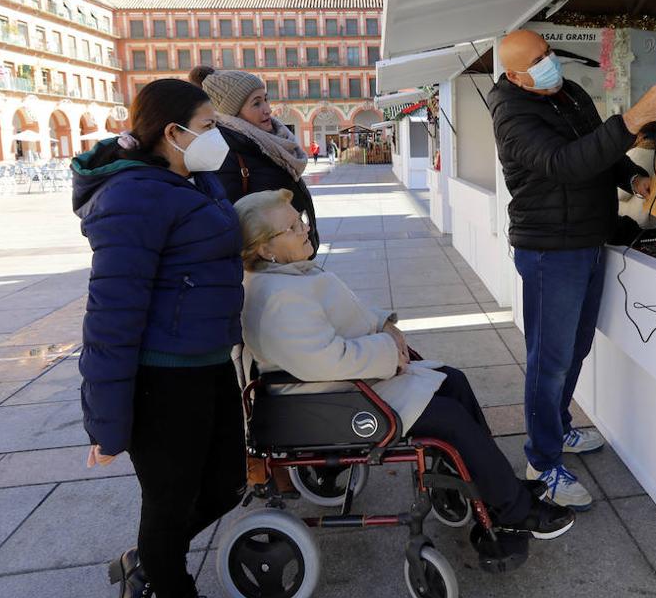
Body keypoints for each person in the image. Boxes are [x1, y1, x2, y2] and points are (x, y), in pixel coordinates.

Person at [235, 188, 575, 541]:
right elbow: (325, 362)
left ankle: (489, 485)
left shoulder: (289, 276)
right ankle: (512, 510)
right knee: (450, 419)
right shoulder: (277, 298)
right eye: (291, 227)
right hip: (331, 397)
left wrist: (385, 327)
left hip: (350, 385)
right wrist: (388, 352)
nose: (305, 228)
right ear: (264, 249)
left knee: (452, 380)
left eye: (300, 220)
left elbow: (347, 316)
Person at [487, 28, 656, 509]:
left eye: (548, 52)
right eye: (535, 61)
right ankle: (541, 460)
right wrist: (636, 115)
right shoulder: (512, 115)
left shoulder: (571, 92)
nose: (548, 62)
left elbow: (601, 150)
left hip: (587, 239)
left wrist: (633, 176)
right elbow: (567, 163)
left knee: (574, 350)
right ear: (514, 75)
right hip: (549, 252)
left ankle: (557, 428)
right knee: (548, 360)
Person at [72, 78, 244, 598]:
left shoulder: (189, 180)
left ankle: (143, 563)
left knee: (227, 486)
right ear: (173, 132)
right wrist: (106, 420)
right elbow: (111, 315)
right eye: (208, 124)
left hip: (210, 361)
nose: (216, 134)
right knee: (169, 504)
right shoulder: (135, 197)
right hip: (163, 378)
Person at [190, 67, 319, 252]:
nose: (267, 109)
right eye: (256, 103)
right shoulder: (225, 152)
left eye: (266, 99)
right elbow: (233, 219)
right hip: (270, 261)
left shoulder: (271, 142)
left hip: (293, 249)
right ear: (232, 113)